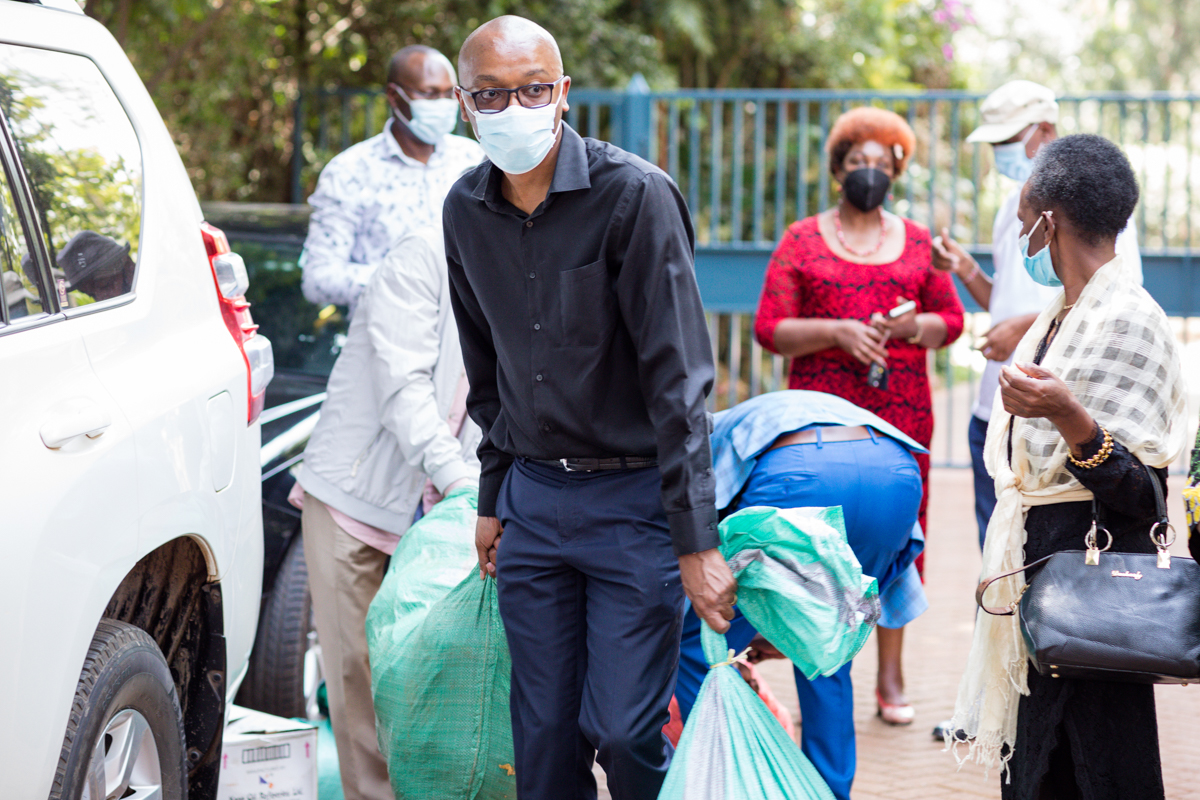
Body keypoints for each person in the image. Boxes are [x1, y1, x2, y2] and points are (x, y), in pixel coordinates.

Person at [443, 16, 736, 800]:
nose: (516, 107)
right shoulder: (464, 211)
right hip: (534, 503)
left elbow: (679, 380)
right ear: (466, 105)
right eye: (493, 94)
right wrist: (491, 495)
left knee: (624, 730)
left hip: (633, 503)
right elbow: (487, 370)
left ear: (563, 93)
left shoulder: (633, 196)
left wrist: (696, 539)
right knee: (542, 738)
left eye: (534, 88)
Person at [947, 134, 1187, 799]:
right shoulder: (1057, 319)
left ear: (1049, 220)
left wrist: (1069, 416)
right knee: (1034, 770)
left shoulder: (1129, 320)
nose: (1023, 236)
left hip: (1097, 593)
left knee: (1099, 768)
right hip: (1041, 588)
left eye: (1025, 222)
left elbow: (1146, 493)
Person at [753, 106, 964, 724]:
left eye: (881, 163)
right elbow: (771, 329)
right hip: (819, 419)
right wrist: (838, 334)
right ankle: (819, 666)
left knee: (899, 538)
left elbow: (949, 321)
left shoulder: (920, 242)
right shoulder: (801, 239)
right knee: (814, 536)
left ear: (897, 170)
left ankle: (891, 672)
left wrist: (911, 326)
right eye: (856, 163)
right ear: (836, 171)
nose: (868, 173)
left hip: (902, 415)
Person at [292, 227, 481, 800]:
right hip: (356, 501)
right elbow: (405, 388)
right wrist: (461, 481)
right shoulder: (421, 258)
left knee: (437, 685)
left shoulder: (530, 276)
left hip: (448, 513)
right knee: (359, 680)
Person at [673, 390, 928, 800]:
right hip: (897, 472)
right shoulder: (767, 411)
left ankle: (729, 784)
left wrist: (747, 627)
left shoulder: (703, 436)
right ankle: (829, 791)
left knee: (696, 644)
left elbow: (705, 561)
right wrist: (785, 629)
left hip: (799, 471)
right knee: (830, 648)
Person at [932, 80, 1142, 550]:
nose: (999, 153)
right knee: (995, 554)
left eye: (1006, 142)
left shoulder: (1094, 210)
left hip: (1049, 416)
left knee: (1044, 563)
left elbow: (1111, 300)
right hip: (994, 411)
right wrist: (966, 269)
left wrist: (1025, 331)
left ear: (1043, 130)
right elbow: (1006, 297)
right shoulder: (1012, 207)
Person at [299, 45, 482, 315]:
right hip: (385, 341)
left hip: (466, 343)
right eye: (429, 94)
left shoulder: (473, 160)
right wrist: (407, 279)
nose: (443, 105)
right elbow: (319, 279)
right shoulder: (350, 172)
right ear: (394, 97)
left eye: (448, 95)